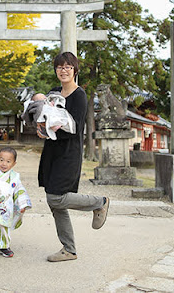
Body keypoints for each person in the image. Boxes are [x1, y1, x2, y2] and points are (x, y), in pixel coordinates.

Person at [37, 52, 110, 262]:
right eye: (60, 67)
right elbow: (44, 116)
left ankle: (99, 202)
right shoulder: (53, 93)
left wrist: (51, 130)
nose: (64, 70)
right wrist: (41, 128)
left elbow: (74, 129)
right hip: (51, 151)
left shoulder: (79, 95)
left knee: (56, 197)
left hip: (69, 153)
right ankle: (69, 249)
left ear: (75, 70)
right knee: (54, 203)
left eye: (68, 67)